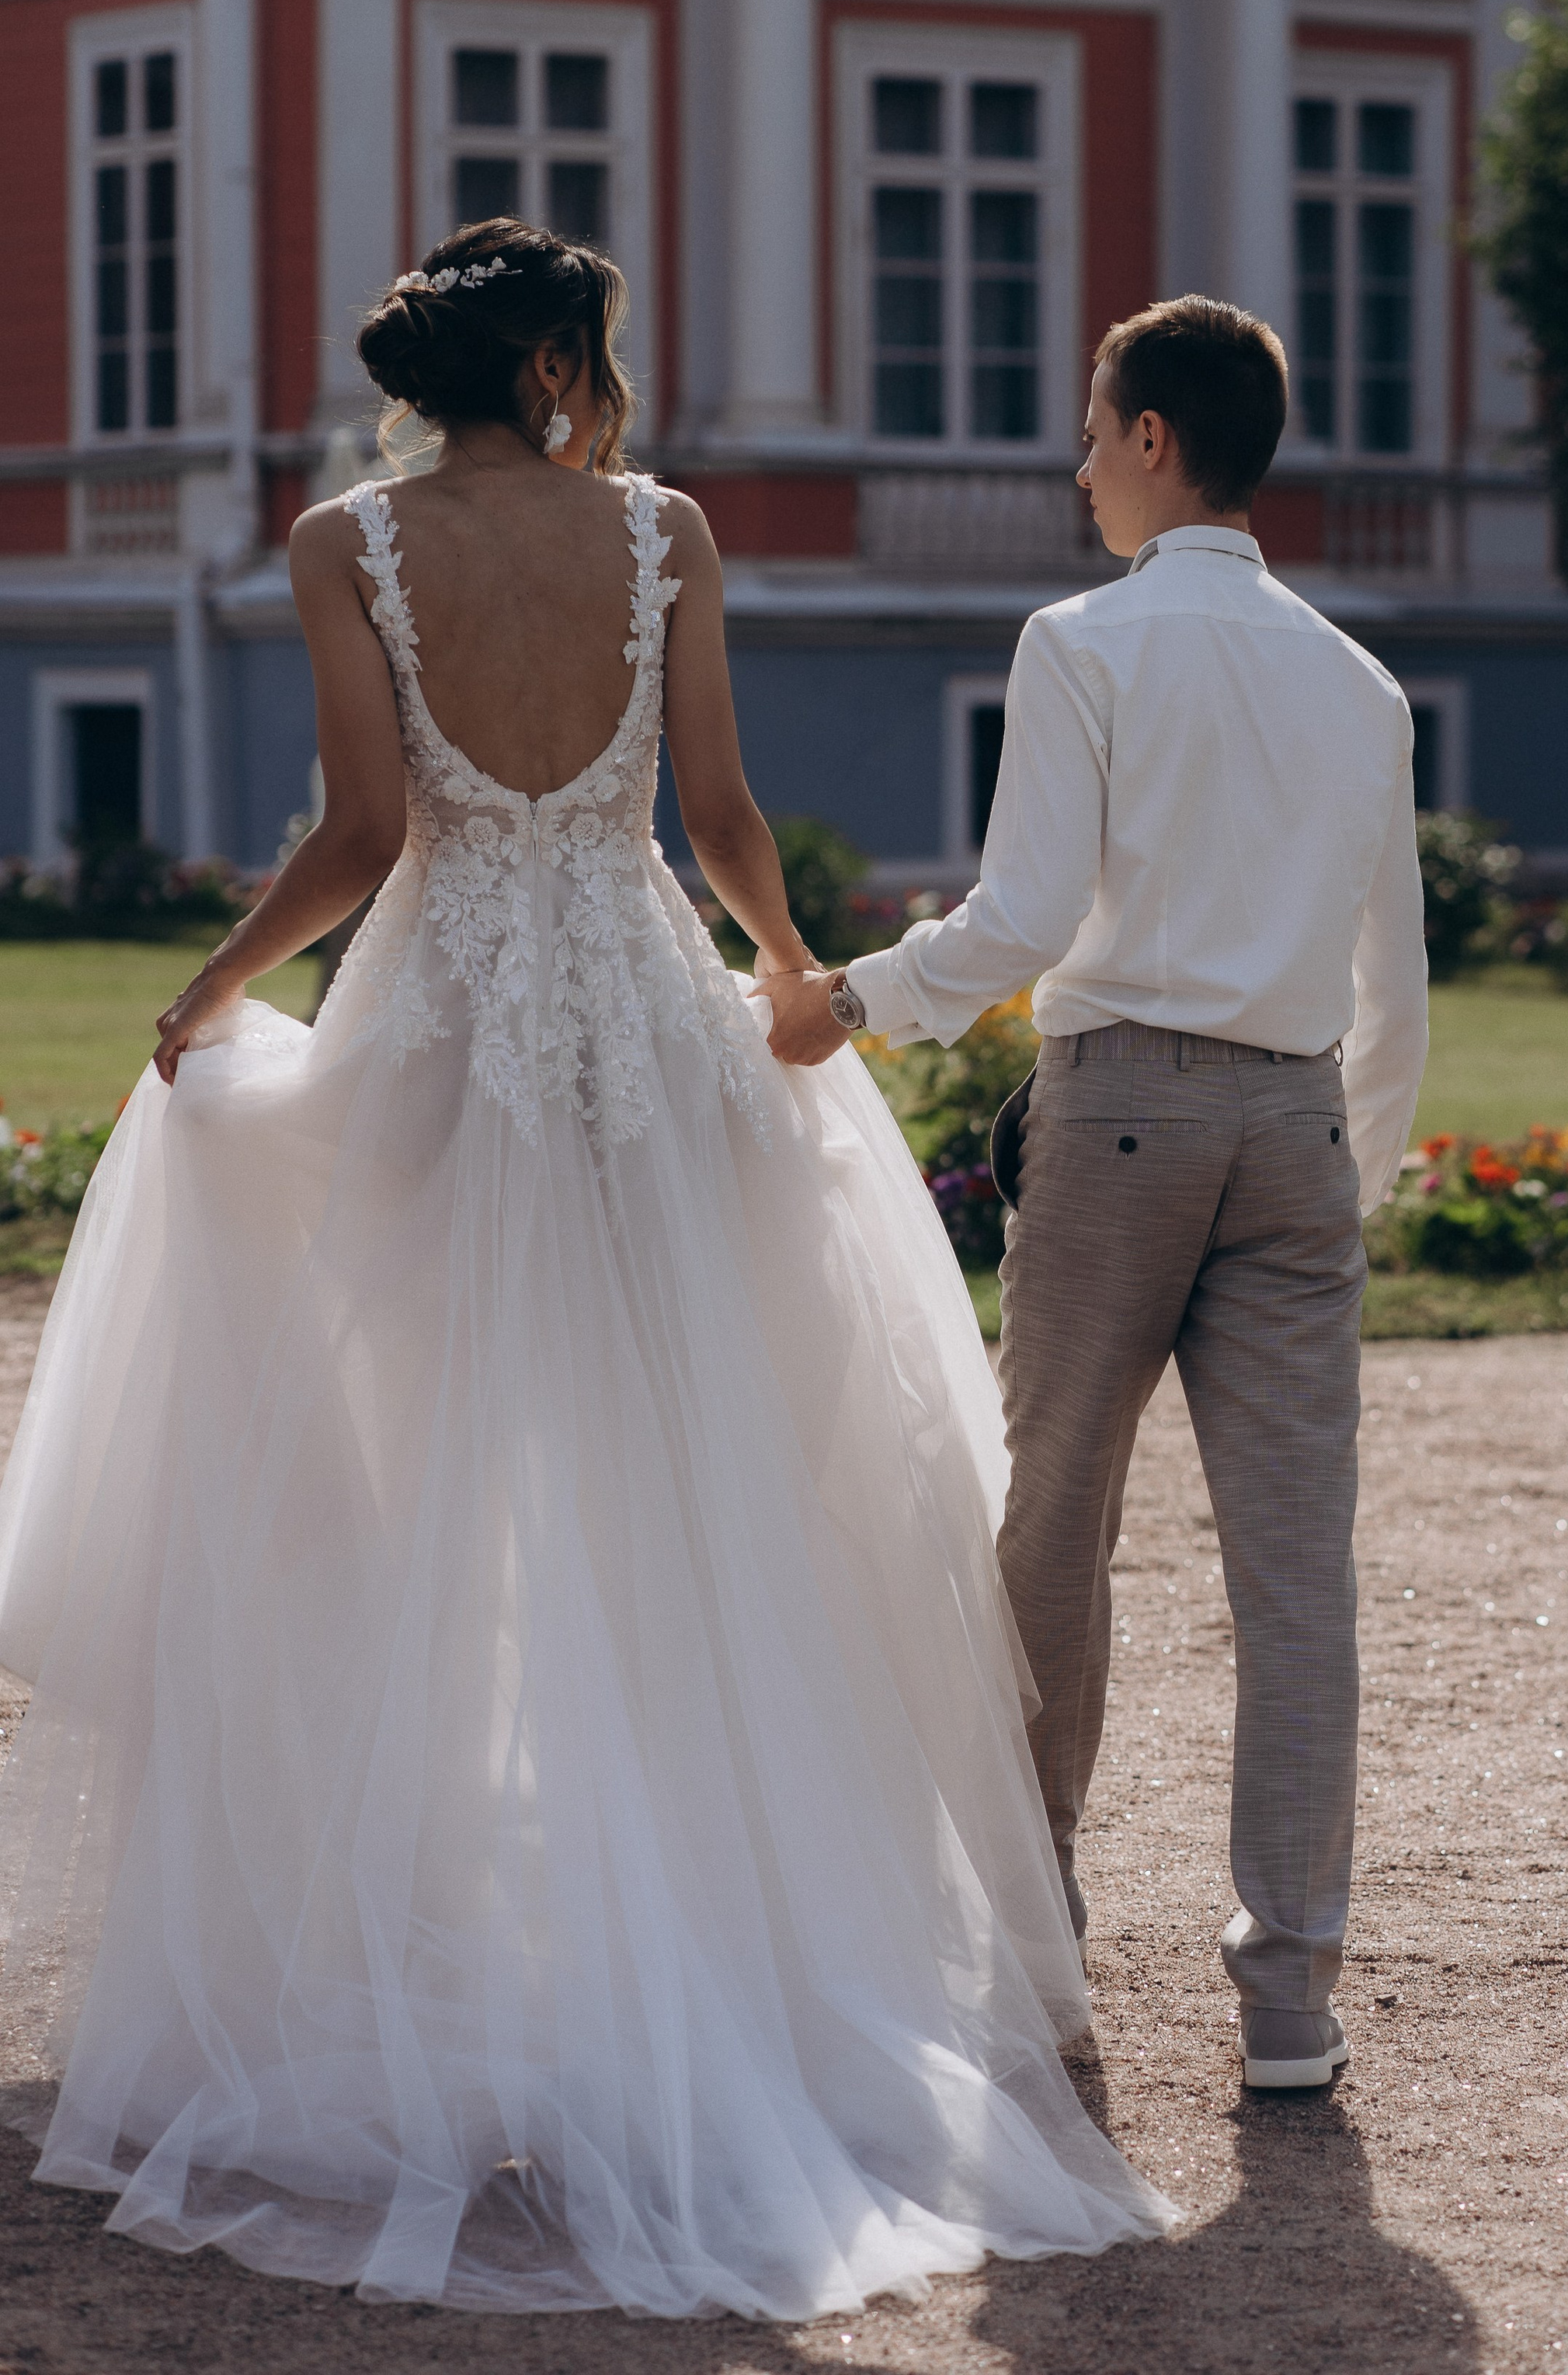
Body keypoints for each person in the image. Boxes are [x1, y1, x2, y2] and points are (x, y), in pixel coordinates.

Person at [0, 220, 1169, 2314]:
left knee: (436, 1503)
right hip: (638, 1027)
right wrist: (795, 968)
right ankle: (713, 1981)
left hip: (446, 1025)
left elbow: (365, 838)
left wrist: (216, 985)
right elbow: (715, 809)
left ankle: (441, 1979)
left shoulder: (344, 541)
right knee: (677, 1497)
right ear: (553, 356)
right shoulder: (666, 532)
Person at [766, 295, 1429, 2095]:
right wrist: (1328, 1167)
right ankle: (1289, 2000)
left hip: (1125, 1114)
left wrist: (846, 1002)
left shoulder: (1080, 641)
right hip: (1297, 1138)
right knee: (1297, 1585)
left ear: (1151, 441)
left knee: (1052, 1523)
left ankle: (1033, 1942)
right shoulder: (1361, 683)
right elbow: (1396, 995)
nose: (1074, 466)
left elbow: (1021, 924)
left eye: (1087, 428)